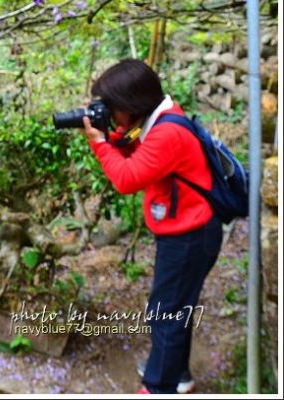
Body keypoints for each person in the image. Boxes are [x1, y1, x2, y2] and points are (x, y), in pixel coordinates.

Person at [81, 58, 223, 395]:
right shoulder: (162, 116)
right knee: (176, 307)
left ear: (132, 104)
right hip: (190, 230)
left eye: (113, 107)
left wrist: (99, 143)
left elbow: (127, 178)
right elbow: (141, 153)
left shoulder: (168, 132)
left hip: (189, 236)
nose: (110, 113)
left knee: (165, 313)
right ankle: (179, 374)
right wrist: (113, 136)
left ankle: (158, 387)